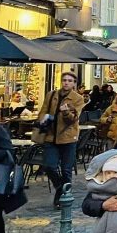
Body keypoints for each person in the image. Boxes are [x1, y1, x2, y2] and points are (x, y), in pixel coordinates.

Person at [36, 71, 87, 206]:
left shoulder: (77, 99)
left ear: (74, 83)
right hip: (50, 136)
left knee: (66, 169)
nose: (66, 83)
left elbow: (74, 119)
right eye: (64, 80)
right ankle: (60, 186)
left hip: (68, 137)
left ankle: (62, 197)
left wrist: (65, 112)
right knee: (49, 166)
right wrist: (42, 120)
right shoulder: (51, 95)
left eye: (70, 81)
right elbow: (43, 110)